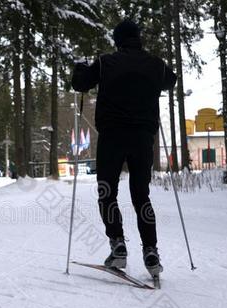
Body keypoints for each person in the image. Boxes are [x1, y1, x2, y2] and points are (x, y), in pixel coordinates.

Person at [71, 19, 177, 278]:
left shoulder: (106, 62)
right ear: (138, 38)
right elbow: (170, 81)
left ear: (117, 40)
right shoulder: (155, 64)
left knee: (107, 192)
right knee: (141, 195)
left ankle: (118, 245)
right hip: (142, 138)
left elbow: (80, 84)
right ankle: (151, 251)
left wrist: (80, 65)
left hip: (113, 136)